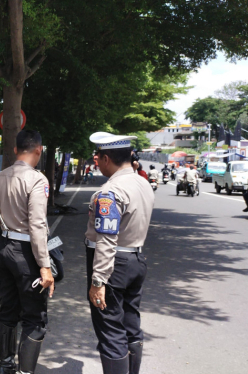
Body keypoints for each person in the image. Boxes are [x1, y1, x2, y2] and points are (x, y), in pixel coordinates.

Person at [85, 132, 154, 374]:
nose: (97, 162)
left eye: (98, 157)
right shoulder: (142, 182)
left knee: (111, 331)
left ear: (106, 158)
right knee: (131, 325)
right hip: (136, 259)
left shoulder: (110, 192)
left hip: (113, 265)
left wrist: (98, 281)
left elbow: (106, 239)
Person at [0, 130, 54, 374]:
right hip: (26, 252)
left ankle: (5, 366)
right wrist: (45, 265)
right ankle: (24, 372)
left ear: (16, 150)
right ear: (39, 149)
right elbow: (37, 224)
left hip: (4, 248)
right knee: (34, 316)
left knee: (8, 309)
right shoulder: (38, 179)